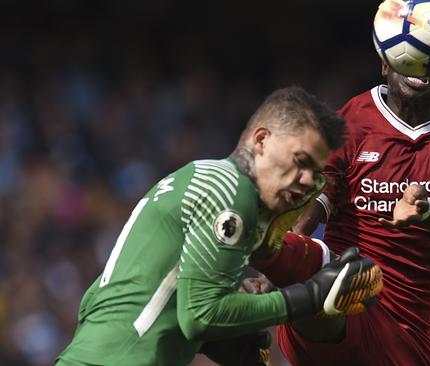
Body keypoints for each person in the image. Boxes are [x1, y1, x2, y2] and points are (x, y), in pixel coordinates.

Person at [55, 86, 383, 366]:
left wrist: (220, 339)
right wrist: (309, 296)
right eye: (300, 161)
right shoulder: (232, 191)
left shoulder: (197, 177)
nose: (308, 179)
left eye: (315, 170)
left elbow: (100, 298)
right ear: (262, 141)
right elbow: (200, 315)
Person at [275, 41, 430, 366]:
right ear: (385, 65)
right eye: (410, 56)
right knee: (323, 272)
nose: (421, 68)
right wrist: (275, 261)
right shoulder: (351, 121)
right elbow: (306, 211)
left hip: (404, 332)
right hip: (340, 304)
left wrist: (427, 208)